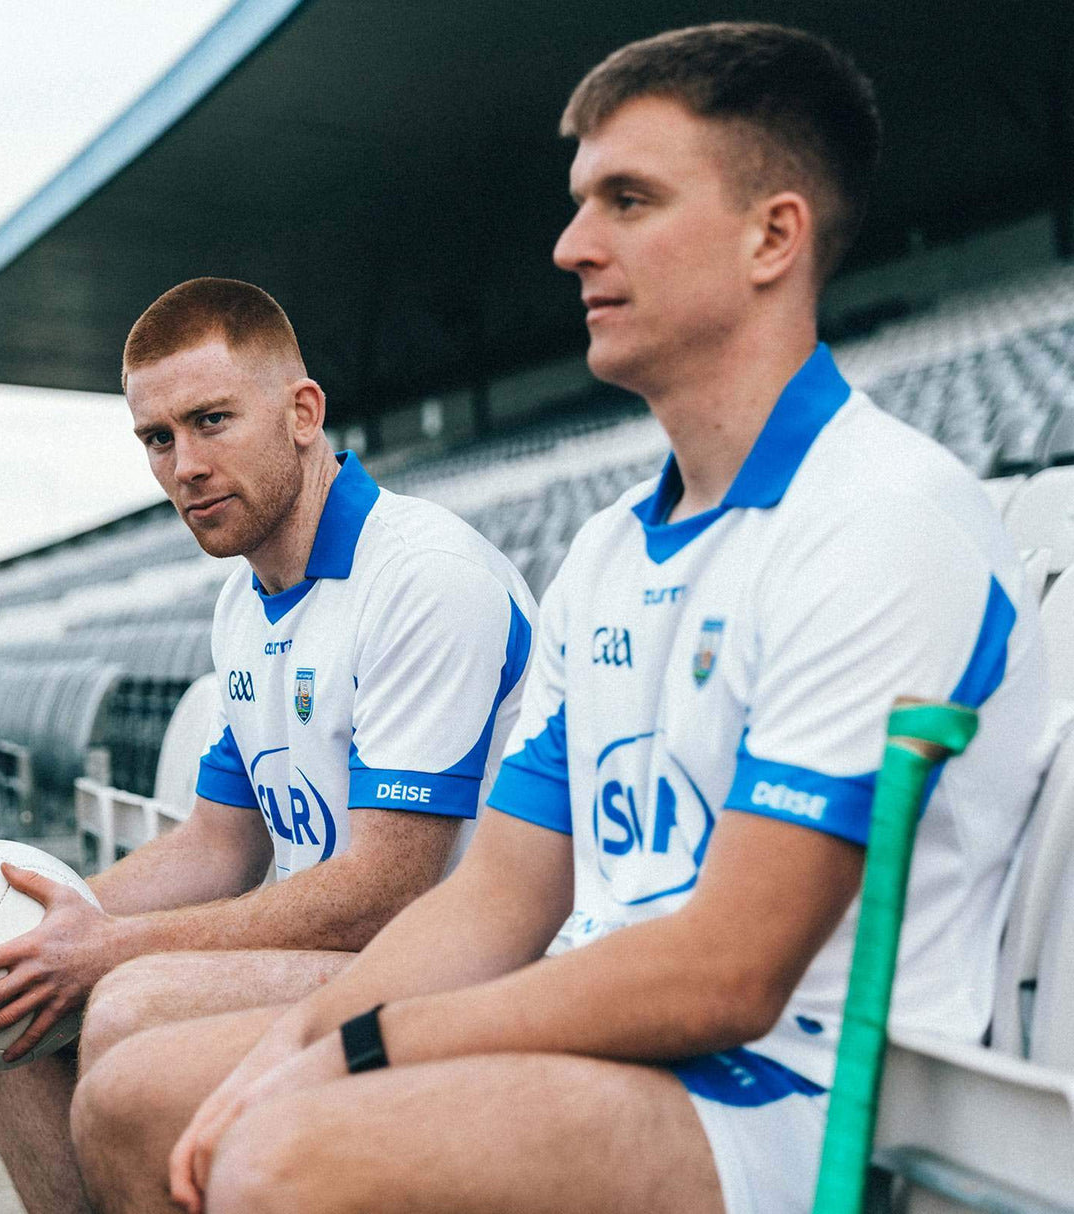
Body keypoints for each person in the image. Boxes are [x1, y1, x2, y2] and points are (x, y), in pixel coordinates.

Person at [69, 24, 1050, 1214]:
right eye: (580, 201)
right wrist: (301, 1035)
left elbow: (727, 973)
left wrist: (366, 1045)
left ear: (771, 236)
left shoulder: (878, 518)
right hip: (606, 1031)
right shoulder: (607, 548)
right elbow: (498, 895)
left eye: (626, 199)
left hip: (786, 1093)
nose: (571, 244)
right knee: (137, 1096)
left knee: (285, 1153)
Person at [0, 276, 535, 1214]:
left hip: (457, 963)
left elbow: (387, 892)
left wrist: (109, 947)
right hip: (339, 953)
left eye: (211, 421)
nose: (186, 467)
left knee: (127, 1004)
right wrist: (41, 926)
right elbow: (219, 843)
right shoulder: (242, 602)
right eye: (158, 439)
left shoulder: (422, 576)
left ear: (302, 413)